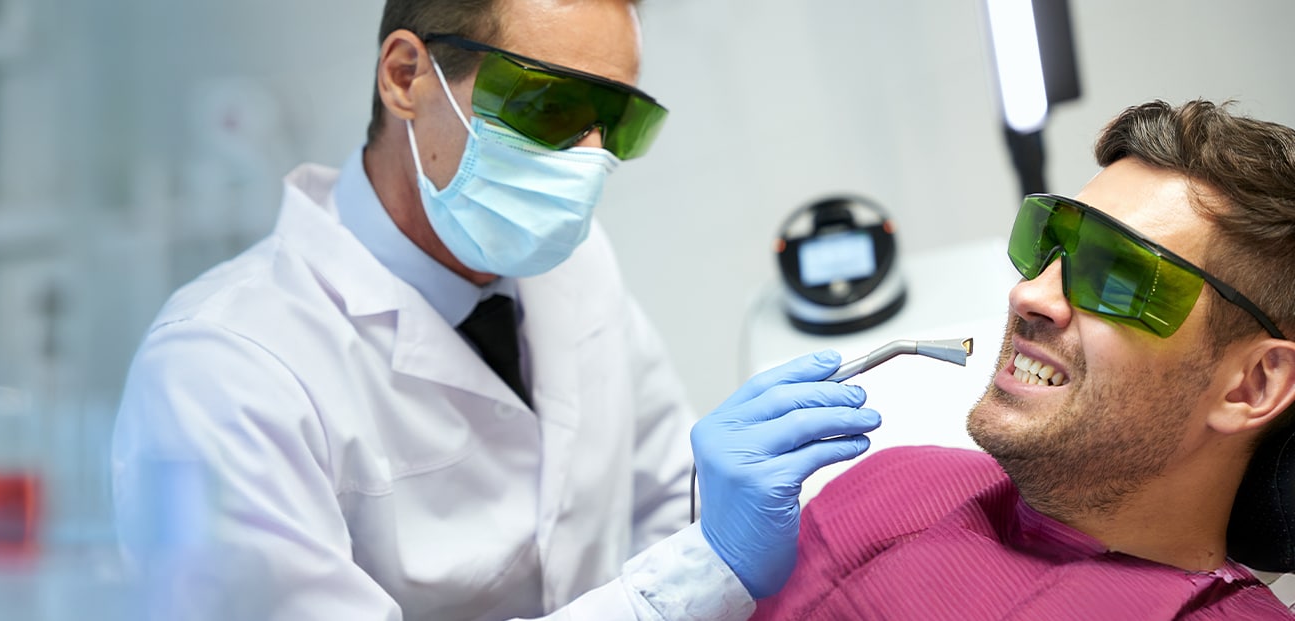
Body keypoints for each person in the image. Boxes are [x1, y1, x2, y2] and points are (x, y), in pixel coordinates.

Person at [110, 0, 883, 619]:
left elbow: (665, 505)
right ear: (406, 76)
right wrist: (689, 580)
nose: (586, 158)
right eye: (548, 106)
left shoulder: (575, 264)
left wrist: (727, 522)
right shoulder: (222, 372)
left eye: (615, 122)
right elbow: (690, 569)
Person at [751, 100, 1295, 620]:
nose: (1029, 294)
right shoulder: (893, 483)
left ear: (1251, 386)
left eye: (1116, 277)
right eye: (1048, 245)